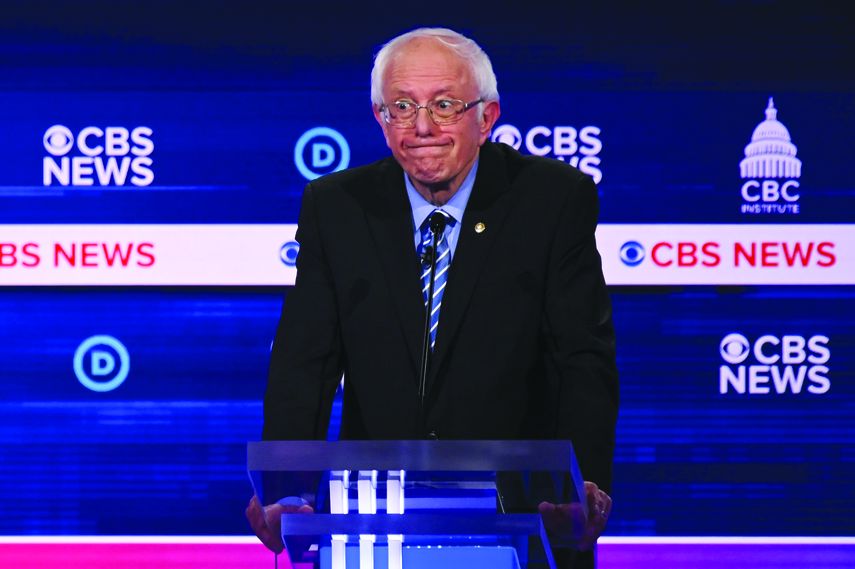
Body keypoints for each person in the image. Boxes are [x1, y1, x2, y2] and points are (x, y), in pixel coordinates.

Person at [247, 27, 618, 568]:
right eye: (402, 106)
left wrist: (582, 487)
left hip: (523, 514)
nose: (422, 126)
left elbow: (582, 358)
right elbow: (305, 361)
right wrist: (285, 487)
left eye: (444, 105)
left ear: (486, 116)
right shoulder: (337, 206)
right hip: (375, 519)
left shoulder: (553, 200)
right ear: (380, 117)